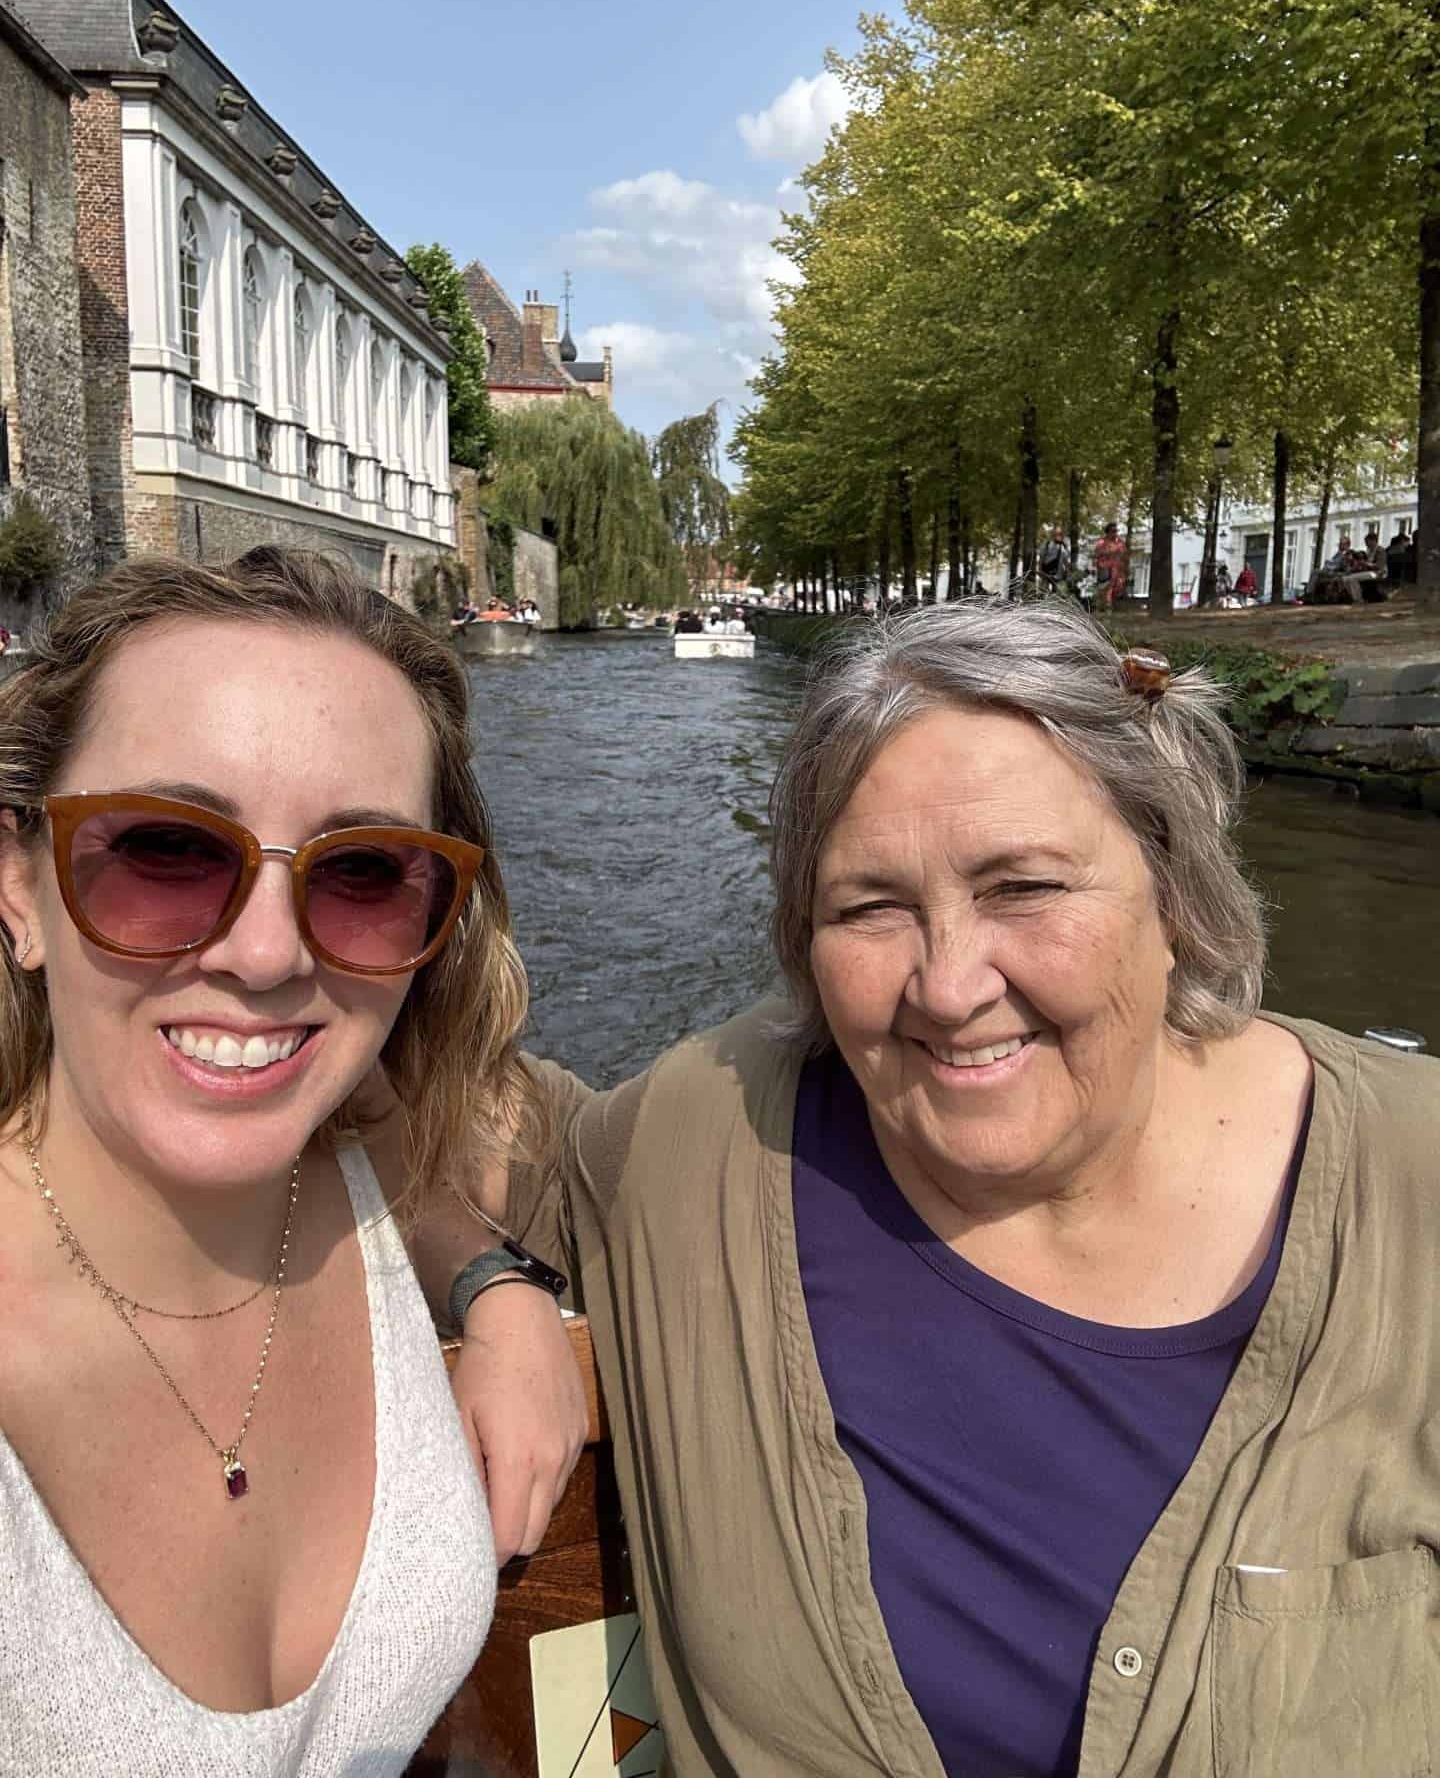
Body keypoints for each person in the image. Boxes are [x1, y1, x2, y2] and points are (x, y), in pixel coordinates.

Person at [446, 599, 1438, 1777]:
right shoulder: (710, 1139)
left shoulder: (1409, 1192)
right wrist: (490, 1276)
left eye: (1023, 887)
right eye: (870, 906)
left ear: (1173, 891)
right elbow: (435, 1116)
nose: (950, 985)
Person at [0, 547, 583, 1774]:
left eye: (364, 874)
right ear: (18, 887)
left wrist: (496, 1283)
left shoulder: (364, 1159)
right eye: (165, 849)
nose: (266, 957)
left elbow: (379, 1146)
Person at [1092, 520, 1128, 609]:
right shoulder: (1101, 543)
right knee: (1106, 590)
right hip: (1105, 571)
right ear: (1108, 532)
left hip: (1118, 571)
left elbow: (1125, 556)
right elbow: (1096, 555)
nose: (1115, 533)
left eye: (1116, 531)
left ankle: (1112, 607)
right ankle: (1105, 607)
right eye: (1113, 531)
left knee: (1117, 589)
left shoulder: (1120, 542)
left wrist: (1125, 568)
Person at [1037, 526, 1070, 594]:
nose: (1058, 536)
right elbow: (1041, 557)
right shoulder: (1047, 544)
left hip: (1058, 576)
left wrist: (1067, 572)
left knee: (1057, 595)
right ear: (1053, 535)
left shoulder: (1064, 547)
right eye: (1057, 534)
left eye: (1060, 534)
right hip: (1045, 574)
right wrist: (1039, 570)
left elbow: (1066, 561)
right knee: (1042, 593)